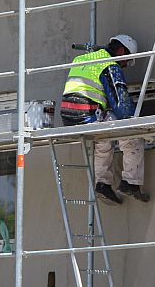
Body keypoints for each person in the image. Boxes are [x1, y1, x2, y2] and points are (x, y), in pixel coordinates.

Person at [61, 34, 149, 205]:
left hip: (69, 117)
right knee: (131, 134)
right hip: (88, 114)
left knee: (102, 140)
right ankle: (131, 182)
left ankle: (102, 185)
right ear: (122, 51)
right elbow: (121, 105)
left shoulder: (81, 58)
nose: (125, 66)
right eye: (127, 61)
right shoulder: (109, 65)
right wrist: (140, 125)